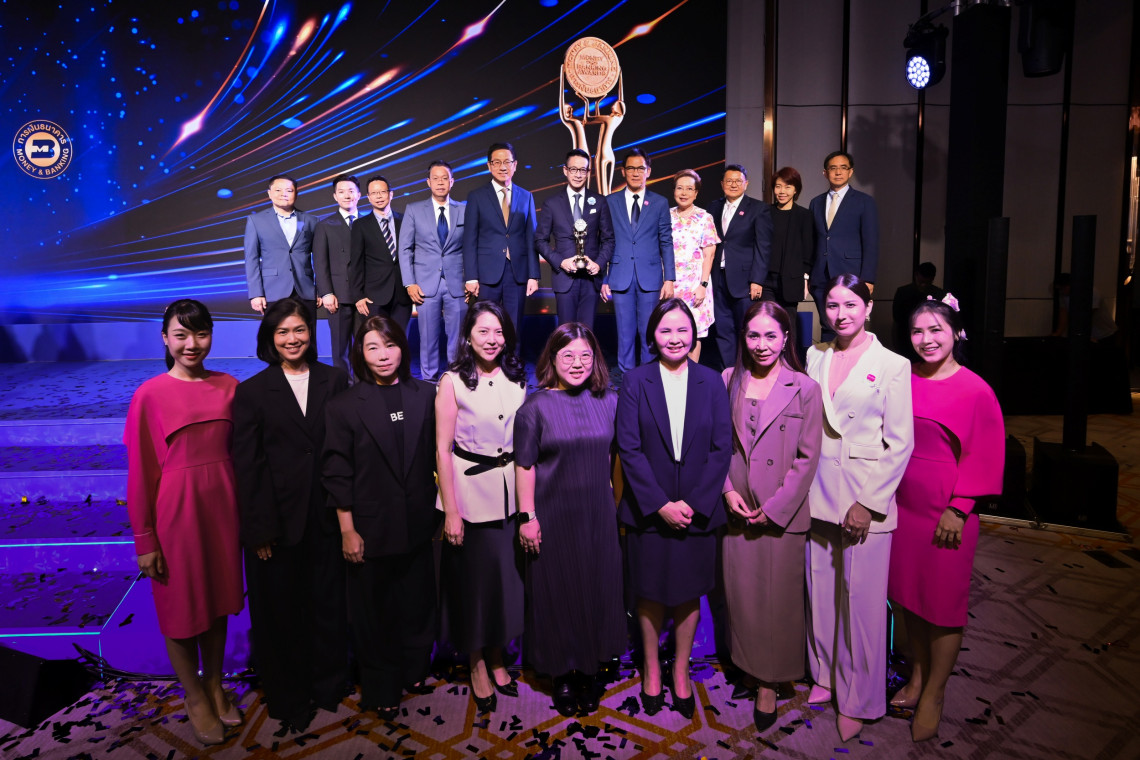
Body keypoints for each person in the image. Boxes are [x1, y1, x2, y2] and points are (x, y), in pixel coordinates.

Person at [124, 299, 244, 746]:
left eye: (201, 334)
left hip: (223, 511)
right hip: (176, 515)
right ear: (165, 339)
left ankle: (214, 683)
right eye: (181, 335)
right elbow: (141, 474)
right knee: (180, 610)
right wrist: (144, 538)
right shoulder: (150, 394)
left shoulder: (229, 386)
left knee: (218, 602)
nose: (192, 344)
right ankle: (194, 695)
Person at [888, 297, 1004, 742]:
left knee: (942, 607)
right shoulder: (903, 377)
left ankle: (935, 693)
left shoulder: (975, 389)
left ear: (956, 332)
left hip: (946, 514)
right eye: (917, 331)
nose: (926, 339)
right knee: (910, 599)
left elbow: (985, 453)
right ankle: (917, 676)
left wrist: (959, 507)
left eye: (936, 330)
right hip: (902, 507)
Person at [232, 297, 351, 733]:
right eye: (282, 331)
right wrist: (258, 528)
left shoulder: (335, 379)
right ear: (270, 337)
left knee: (328, 606)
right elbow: (247, 466)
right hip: (276, 525)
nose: (292, 338)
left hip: (326, 515)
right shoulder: (251, 392)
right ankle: (289, 696)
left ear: (310, 333)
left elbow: (344, 449)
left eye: (299, 329)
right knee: (280, 615)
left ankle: (329, 686)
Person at [804, 274, 914, 742]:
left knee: (862, 604)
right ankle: (824, 675)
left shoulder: (893, 364)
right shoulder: (814, 355)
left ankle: (860, 698)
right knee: (821, 592)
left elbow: (901, 442)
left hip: (863, 496)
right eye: (832, 305)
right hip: (817, 493)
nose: (840, 314)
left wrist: (868, 503)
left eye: (851, 304)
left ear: (869, 308)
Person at [616, 298, 732, 719]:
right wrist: (659, 504)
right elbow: (629, 448)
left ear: (694, 334)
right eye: (665, 330)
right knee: (648, 593)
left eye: (682, 329)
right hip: (649, 511)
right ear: (653, 336)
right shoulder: (635, 381)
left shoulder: (712, 381)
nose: (675, 338)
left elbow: (722, 449)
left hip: (697, 511)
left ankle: (680, 670)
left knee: (688, 594)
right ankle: (651, 668)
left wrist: (695, 503)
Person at [322, 316, 440, 719]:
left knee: (417, 602)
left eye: (390, 345)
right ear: (360, 353)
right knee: (374, 611)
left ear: (402, 348)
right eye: (373, 347)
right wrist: (347, 529)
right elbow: (337, 472)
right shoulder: (343, 406)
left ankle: (414, 668)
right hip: (370, 527)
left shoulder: (426, 395)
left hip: (419, 523)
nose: (383, 354)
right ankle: (381, 683)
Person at [720, 301, 823, 732]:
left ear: (785, 339)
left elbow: (808, 457)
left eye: (770, 335)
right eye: (753, 335)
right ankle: (748, 666)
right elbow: (718, 445)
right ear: (743, 338)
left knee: (778, 601)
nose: (761, 344)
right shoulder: (728, 379)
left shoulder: (805, 388)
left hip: (782, 513)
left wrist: (777, 507)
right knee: (741, 596)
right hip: (739, 509)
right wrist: (727, 490)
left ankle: (770, 681)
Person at [514, 323, 624, 717]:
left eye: (585, 356)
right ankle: (561, 673)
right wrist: (528, 516)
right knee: (556, 593)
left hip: (597, 514)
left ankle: (590, 670)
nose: (577, 363)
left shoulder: (610, 401)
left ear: (595, 360)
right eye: (568, 356)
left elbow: (617, 458)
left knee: (597, 589)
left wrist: (616, 506)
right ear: (552, 359)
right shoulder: (535, 407)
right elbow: (524, 465)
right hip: (552, 514)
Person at [435, 301, 528, 713]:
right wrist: (451, 511)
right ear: (468, 337)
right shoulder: (452, 381)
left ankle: (496, 655)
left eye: (498, 331)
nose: (492, 339)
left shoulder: (518, 377)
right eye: (483, 332)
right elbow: (442, 449)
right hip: (470, 496)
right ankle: (475, 662)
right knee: (472, 589)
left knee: (503, 585)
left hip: (510, 495)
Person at [603, 148, 676, 375]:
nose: (636, 173)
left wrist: (669, 278)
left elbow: (666, 241)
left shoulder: (659, 203)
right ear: (623, 171)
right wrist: (604, 279)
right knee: (624, 333)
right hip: (620, 275)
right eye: (631, 168)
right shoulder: (610, 201)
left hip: (650, 277)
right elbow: (605, 241)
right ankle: (627, 378)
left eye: (640, 168)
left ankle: (648, 376)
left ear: (648, 171)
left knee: (649, 332)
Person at [399, 160, 468, 382]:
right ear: (428, 182)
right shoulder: (414, 210)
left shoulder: (464, 209)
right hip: (424, 285)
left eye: (444, 178)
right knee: (428, 337)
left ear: (452, 181)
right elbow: (405, 249)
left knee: (458, 338)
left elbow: (471, 247)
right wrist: (409, 283)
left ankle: (455, 379)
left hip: (457, 284)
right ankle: (429, 380)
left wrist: (471, 279)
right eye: (435, 178)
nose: (440, 182)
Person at [462, 142, 539, 340]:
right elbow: (469, 239)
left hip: (517, 272)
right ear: (489, 166)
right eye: (497, 162)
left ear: (515, 165)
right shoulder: (477, 197)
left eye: (507, 162)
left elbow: (531, 238)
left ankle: (512, 360)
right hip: (487, 274)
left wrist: (533, 275)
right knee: (485, 324)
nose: (502, 167)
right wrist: (471, 277)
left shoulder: (526, 196)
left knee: (514, 326)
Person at [535, 148, 615, 330]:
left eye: (583, 170)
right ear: (565, 170)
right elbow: (540, 240)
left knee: (588, 331)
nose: (578, 175)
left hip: (591, 279)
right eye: (573, 169)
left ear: (588, 172)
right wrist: (560, 262)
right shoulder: (552, 203)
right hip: (565, 278)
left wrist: (599, 264)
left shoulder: (599, 201)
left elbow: (609, 239)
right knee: (566, 332)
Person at [809, 152, 879, 341]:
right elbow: (813, 240)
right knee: (827, 325)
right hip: (821, 275)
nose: (838, 172)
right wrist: (809, 274)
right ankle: (829, 359)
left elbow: (871, 242)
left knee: (849, 326)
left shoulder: (864, 202)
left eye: (843, 168)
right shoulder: (816, 203)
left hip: (851, 274)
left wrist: (868, 279)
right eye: (833, 168)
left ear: (851, 172)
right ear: (825, 173)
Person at [707, 164, 773, 368]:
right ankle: (728, 372)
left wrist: (757, 280)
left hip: (745, 281)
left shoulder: (758, 209)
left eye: (738, 181)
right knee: (723, 329)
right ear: (722, 184)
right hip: (718, 278)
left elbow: (763, 247)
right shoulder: (713, 207)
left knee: (746, 328)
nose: (733, 184)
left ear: (746, 184)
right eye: (729, 181)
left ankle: (747, 371)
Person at [244, 174, 319, 315]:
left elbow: (320, 258)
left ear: (296, 193)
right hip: (272, 291)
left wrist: (321, 291)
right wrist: (256, 293)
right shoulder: (256, 221)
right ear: (269, 193)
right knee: (276, 328)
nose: (284, 194)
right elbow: (251, 259)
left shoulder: (311, 220)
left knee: (307, 328)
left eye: (289, 190)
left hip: (305, 290)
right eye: (278, 190)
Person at [314, 174, 363, 373]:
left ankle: (363, 384)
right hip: (338, 296)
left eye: (351, 191)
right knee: (340, 347)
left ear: (359, 194)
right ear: (335, 196)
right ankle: (343, 384)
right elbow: (320, 262)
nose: (347, 195)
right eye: (341, 192)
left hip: (364, 296)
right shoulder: (325, 225)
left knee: (364, 344)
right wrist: (326, 293)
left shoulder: (368, 222)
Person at [669, 169, 720, 361]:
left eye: (689, 189)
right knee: (670, 330)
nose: (684, 193)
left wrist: (703, 286)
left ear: (696, 193)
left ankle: (691, 375)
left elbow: (709, 255)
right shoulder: (666, 216)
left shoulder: (704, 218)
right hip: (670, 285)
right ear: (674, 191)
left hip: (694, 287)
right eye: (680, 188)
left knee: (694, 331)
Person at [350, 176, 411, 330]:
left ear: (391, 194)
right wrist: (358, 296)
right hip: (374, 296)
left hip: (403, 294)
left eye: (382, 192)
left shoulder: (405, 220)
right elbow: (356, 263)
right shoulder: (360, 225)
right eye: (374, 193)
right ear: (368, 197)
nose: (378, 196)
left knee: (399, 338)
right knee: (377, 338)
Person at [768, 166, 815, 311]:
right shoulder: (765, 213)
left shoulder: (804, 215)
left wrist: (805, 279)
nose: (782, 191)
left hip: (791, 281)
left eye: (787, 187)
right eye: (778, 186)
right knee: (766, 318)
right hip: (766, 281)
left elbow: (808, 251)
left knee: (788, 320)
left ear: (795, 190)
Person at [891, 262, 945, 357]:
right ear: (916, 275)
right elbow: (897, 319)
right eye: (921, 282)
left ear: (932, 279)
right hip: (906, 338)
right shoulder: (903, 292)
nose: (923, 286)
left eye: (927, 283)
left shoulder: (939, 294)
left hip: (930, 339)